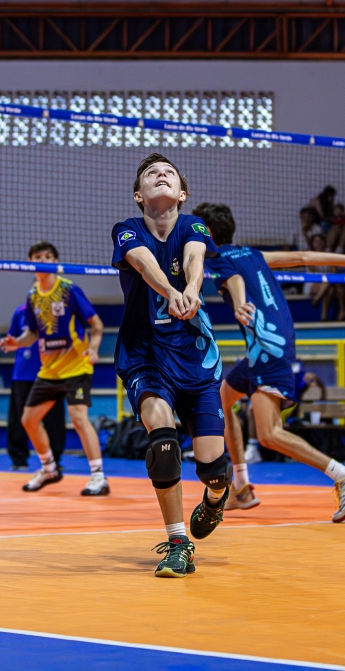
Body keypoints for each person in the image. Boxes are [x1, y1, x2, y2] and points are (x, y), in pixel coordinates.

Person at [193, 202, 345, 521]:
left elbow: (234, 281)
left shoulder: (217, 259)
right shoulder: (252, 254)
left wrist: (239, 303)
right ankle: (241, 487)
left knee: (269, 433)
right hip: (270, 343)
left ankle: (344, 474)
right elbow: (303, 257)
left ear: (209, 233)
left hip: (267, 347)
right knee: (221, 400)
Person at [111, 153, 229, 578]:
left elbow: (195, 258)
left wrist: (192, 288)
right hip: (146, 357)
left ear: (182, 193)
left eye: (169, 173)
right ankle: (179, 544)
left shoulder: (194, 226)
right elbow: (145, 264)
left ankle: (216, 499)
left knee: (213, 469)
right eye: (151, 174)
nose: (161, 175)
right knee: (162, 444)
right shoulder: (126, 230)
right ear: (139, 195)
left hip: (195, 360)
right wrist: (170, 291)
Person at [0, 242, 108, 495]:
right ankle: (49, 469)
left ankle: (98, 476)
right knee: (28, 420)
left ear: (56, 262)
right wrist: (17, 342)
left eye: (48, 257)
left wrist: (94, 348)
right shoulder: (33, 296)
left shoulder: (69, 290)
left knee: (79, 418)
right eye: (38, 257)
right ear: (30, 262)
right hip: (49, 371)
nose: (43, 260)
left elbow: (97, 324)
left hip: (76, 367)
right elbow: (32, 333)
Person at [2, 300, 66, 471]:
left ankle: (54, 459)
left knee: (54, 418)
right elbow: (15, 338)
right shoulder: (21, 311)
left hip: (52, 372)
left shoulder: (58, 311)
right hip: (24, 373)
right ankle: (18, 458)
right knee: (19, 418)